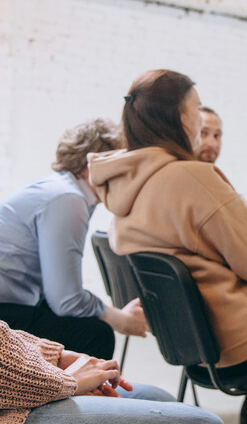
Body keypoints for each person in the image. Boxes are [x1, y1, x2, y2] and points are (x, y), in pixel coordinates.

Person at [87, 70, 247, 424]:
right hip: (245, 345)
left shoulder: (124, 187)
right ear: (182, 116)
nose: (200, 119)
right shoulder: (191, 177)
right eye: (197, 108)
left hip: (194, 352)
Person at [0, 319, 236, 424]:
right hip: (7, 420)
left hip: (17, 387)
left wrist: (57, 357)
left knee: (157, 398)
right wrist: (66, 381)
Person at [0, 119, 148, 360]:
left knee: (83, 322)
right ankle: (84, 396)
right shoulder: (68, 199)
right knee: (95, 334)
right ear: (94, 164)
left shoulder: (59, 189)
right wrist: (119, 319)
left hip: (13, 305)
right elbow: (65, 300)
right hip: (5, 315)